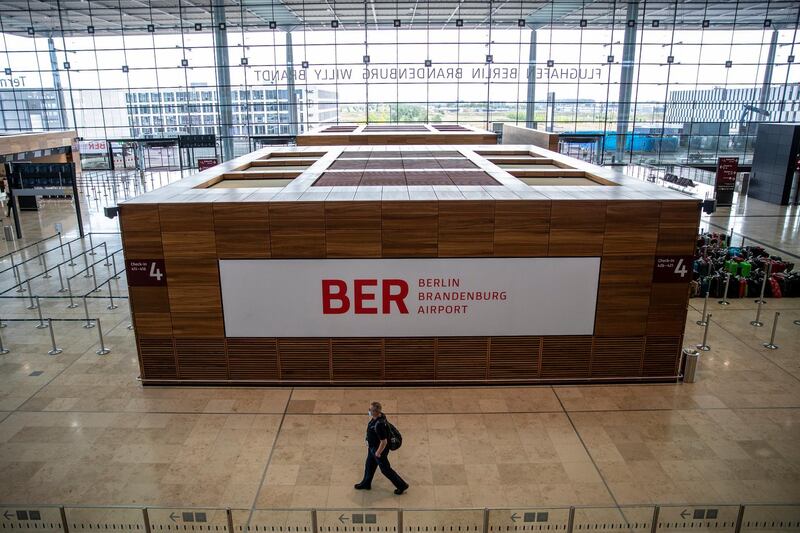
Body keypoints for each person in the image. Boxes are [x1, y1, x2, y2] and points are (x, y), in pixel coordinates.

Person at [354, 401, 409, 495]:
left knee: (385, 469)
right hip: (373, 448)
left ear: (375, 412)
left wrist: (378, 452)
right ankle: (366, 483)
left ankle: (401, 485)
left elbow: (384, 442)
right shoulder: (377, 417)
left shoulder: (379, 425)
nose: (368, 410)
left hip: (379, 450)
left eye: (370, 409)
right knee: (369, 465)